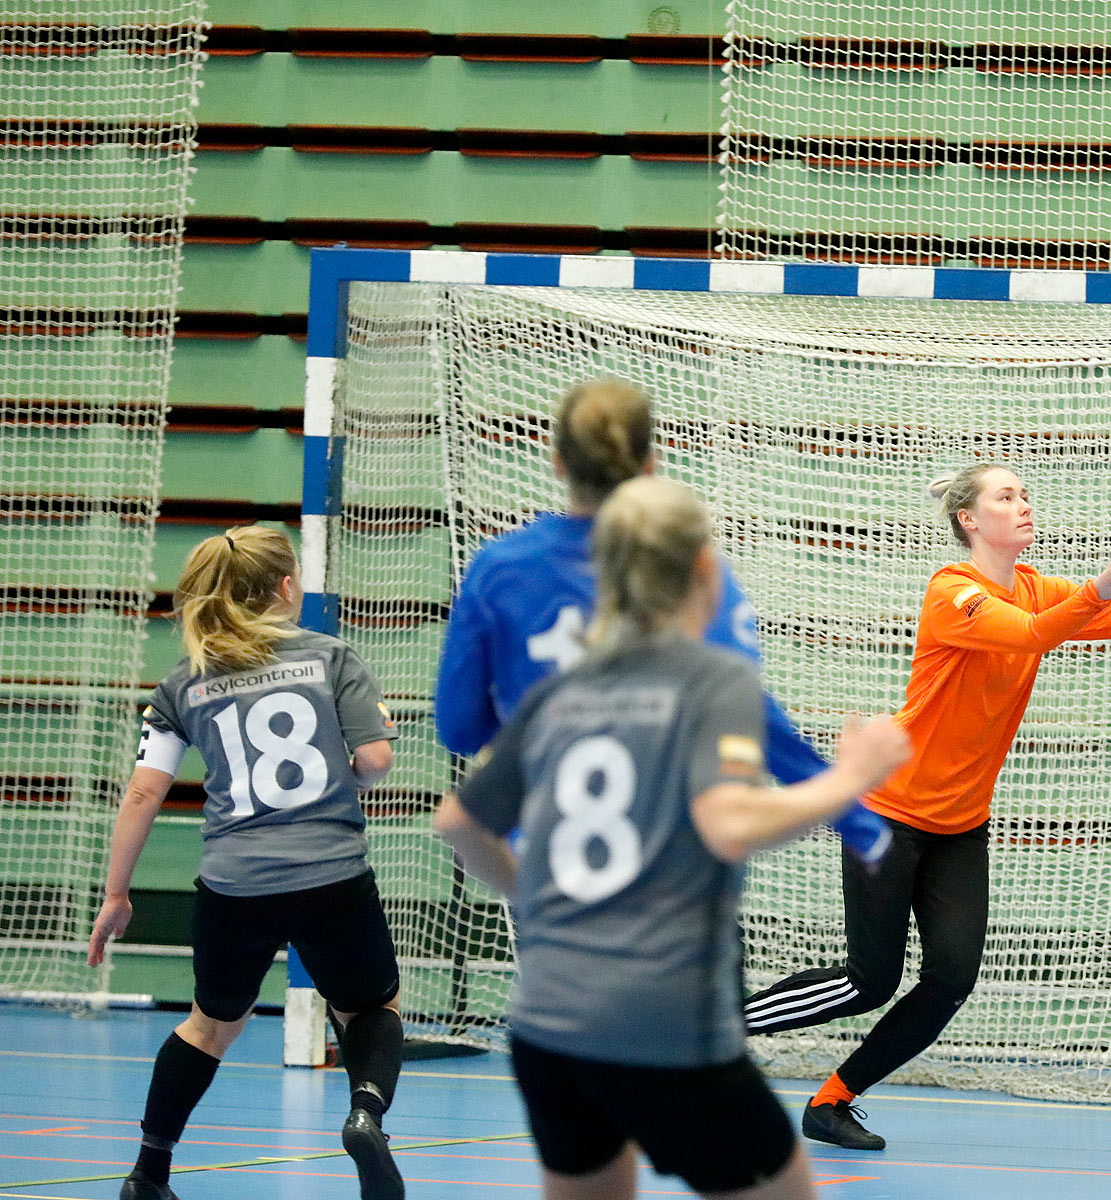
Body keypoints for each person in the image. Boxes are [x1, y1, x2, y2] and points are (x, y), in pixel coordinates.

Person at [743, 464, 1111, 1150]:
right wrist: (1103, 583)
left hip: (960, 827)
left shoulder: (1033, 589)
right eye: (1006, 495)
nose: (1023, 504)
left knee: (949, 980)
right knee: (869, 982)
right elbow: (1026, 635)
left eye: (1024, 494)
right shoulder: (950, 591)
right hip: (889, 817)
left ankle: (833, 1101)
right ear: (971, 519)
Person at [432, 477, 911, 1200]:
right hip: (663, 1021)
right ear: (703, 571)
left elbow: (460, 822)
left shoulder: (562, 687)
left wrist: (534, 896)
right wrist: (851, 779)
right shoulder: (714, 678)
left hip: (547, 1018)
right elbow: (727, 822)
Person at [434, 377, 890, 864]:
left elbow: (460, 729)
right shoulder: (686, 564)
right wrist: (858, 822)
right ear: (650, 464)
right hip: (677, 852)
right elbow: (746, 710)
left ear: (558, 461)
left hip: (552, 858)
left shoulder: (499, 570)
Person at [87, 526, 406, 1200]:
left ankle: (149, 1170)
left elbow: (145, 791)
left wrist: (116, 895)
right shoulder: (330, 656)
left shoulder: (183, 683)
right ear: (287, 588)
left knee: (210, 1023)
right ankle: (363, 1113)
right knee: (369, 1007)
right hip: (331, 874)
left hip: (235, 884)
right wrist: (354, 774)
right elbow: (375, 761)